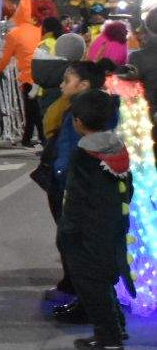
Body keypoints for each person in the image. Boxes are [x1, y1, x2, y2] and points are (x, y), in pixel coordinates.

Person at [56, 89, 130, 350]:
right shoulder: (117, 148)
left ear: (78, 122)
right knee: (106, 279)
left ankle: (108, 338)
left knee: (91, 284)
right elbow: (127, 190)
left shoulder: (84, 155)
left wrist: (66, 233)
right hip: (114, 225)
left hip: (87, 232)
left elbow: (76, 199)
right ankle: (117, 326)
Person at [42, 60, 109, 316]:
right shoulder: (96, 108)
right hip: (76, 186)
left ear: (84, 85)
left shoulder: (80, 114)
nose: (61, 84)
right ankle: (76, 291)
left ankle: (86, 304)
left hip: (71, 187)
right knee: (73, 243)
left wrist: (61, 180)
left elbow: (70, 153)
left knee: (74, 243)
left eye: (67, 80)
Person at [0, 0, 43, 146]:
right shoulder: (38, 31)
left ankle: (35, 138)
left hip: (28, 78)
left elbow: (5, 57)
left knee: (31, 110)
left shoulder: (14, 34)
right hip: (42, 76)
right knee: (36, 109)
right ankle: (32, 138)